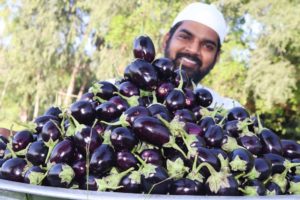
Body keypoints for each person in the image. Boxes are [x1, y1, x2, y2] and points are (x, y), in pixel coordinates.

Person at [163, 2, 242, 109]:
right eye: (185, 37)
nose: (193, 50)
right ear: (166, 40)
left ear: (217, 57)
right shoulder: (134, 87)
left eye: (208, 46)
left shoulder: (227, 112)